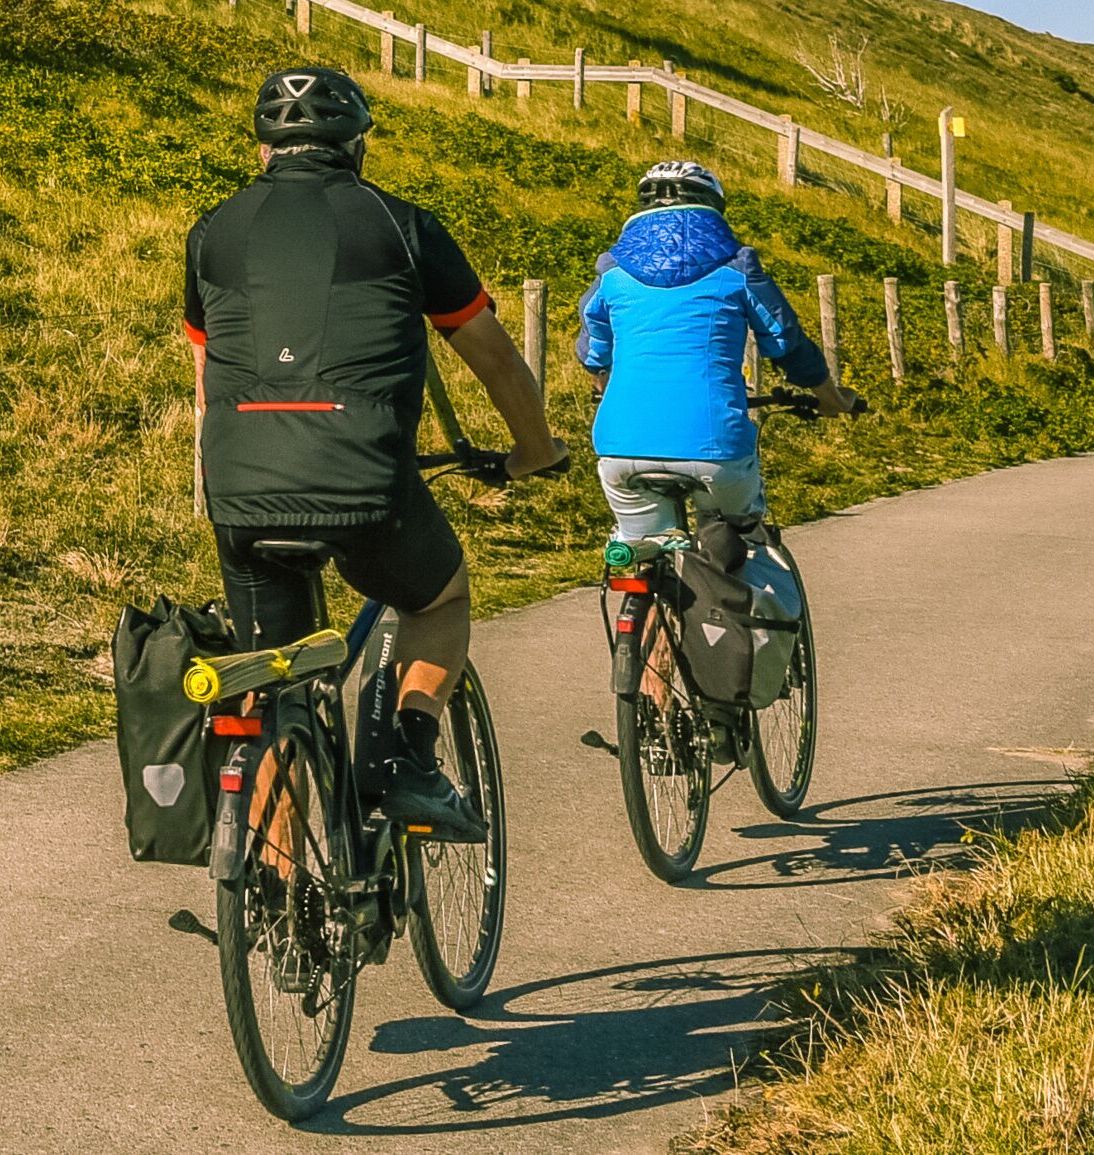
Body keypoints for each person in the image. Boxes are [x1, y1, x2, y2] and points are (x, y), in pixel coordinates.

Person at [186, 65, 563, 840]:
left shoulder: (211, 233)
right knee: (440, 597)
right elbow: (491, 356)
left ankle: (287, 916)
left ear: (264, 150)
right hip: (360, 483)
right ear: (357, 146)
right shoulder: (402, 225)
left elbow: (205, 379)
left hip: (239, 489)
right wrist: (535, 448)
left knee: (268, 688)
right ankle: (410, 762)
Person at [574, 159, 860, 564]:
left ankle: (641, 615)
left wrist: (604, 388)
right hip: (715, 448)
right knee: (746, 545)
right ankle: (756, 619)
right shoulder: (737, 267)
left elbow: (593, 352)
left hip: (620, 447)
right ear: (713, 208)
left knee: (643, 553)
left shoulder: (612, 274)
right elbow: (785, 342)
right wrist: (831, 397)